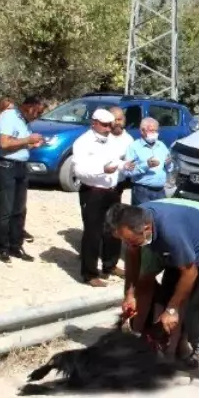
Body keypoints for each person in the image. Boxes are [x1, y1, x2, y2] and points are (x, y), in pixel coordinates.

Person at [110, 199, 199, 388]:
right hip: (185, 251)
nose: (129, 244)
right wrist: (130, 294)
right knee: (165, 300)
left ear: (147, 229)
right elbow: (133, 259)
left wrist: (173, 309)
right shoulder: (136, 221)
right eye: (125, 241)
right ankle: (169, 359)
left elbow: (190, 272)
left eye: (131, 241)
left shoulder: (170, 231)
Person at [73, 109, 129, 287]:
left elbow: (115, 160)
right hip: (93, 190)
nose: (108, 128)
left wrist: (125, 165)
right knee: (93, 232)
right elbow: (79, 171)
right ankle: (89, 273)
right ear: (94, 123)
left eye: (110, 125)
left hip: (111, 190)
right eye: (104, 125)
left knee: (113, 230)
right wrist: (102, 170)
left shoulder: (111, 140)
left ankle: (110, 265)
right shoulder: (83, 142)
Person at [0, 95, 45, 262]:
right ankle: (3, 247)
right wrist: (28, 139)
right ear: (30, 106)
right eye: (37, 112)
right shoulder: (9, 116)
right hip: (6, 166)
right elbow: (4, 143)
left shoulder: (23, 121)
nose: (37, 116)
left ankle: (16, 245)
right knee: (6, 208)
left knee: (19, 209)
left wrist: (31, 144)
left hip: (20, 166)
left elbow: (18, 142)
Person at [126, 117, 173, 207]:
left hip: (160, 191)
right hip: (142, 190)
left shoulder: (161, 145)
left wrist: (169, 163)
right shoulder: (134, 147)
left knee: (159, 218)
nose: (154, 134)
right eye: (151, 131)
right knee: (143, 218)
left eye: (156, 131)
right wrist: (146, 165)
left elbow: (169, 168)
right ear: (142, 131)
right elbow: (128, 171)